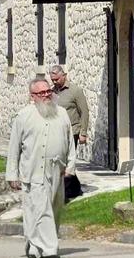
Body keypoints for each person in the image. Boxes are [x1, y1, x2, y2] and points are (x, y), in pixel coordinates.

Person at [7, 78, 76, 258]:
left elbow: (69, 142)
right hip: (34, 172)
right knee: (42, 210)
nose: (46, 95)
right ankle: (50, 250)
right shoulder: (23, 116)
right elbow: (14, 147)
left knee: (53, 211)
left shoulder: (62, 113)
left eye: (48, 91)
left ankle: (34, 247)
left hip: (57, 171)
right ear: (33, 96)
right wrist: (12, 174)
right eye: (41, 93)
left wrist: (71, 166)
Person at [49, 65, 89, 202]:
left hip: (72, 131)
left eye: (56, 79)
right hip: (56, 132)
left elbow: (84, 112)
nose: (54, 82)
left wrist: (83, 133)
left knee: (66, 161)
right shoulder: (52, 92)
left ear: (64, 75)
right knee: (61, 160)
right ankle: (74, 188)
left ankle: (65, 192)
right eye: (52, 80)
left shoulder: (75, 91)